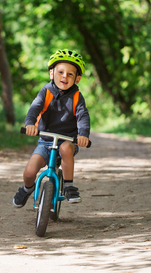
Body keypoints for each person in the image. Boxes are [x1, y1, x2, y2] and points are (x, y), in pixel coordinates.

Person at [13, 49, 91, 208]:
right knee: (29, 172)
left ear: (77, 79)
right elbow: (35, 108)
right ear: (51, 73)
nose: (64, 76)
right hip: (46, 141)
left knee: (66, 148)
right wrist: (30, 124)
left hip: (67, 140)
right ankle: (28, 188)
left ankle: (69, 186)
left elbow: (83, 116)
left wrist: (83, 134)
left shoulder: (77, 97)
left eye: (70, 74)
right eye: (61, 72)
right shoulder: (46, 91)